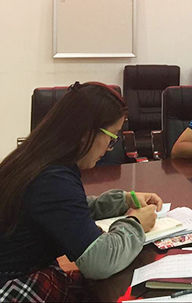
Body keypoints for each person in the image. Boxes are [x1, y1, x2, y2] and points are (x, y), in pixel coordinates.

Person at [0, 82, 162, 302]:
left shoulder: (38, 159)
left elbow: (67, 210)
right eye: (111, 138)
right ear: (87, 132)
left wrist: (122, 201)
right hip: (15, 287)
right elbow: (98, 262)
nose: (109, 149)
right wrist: (136, 223)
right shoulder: (53, 178)